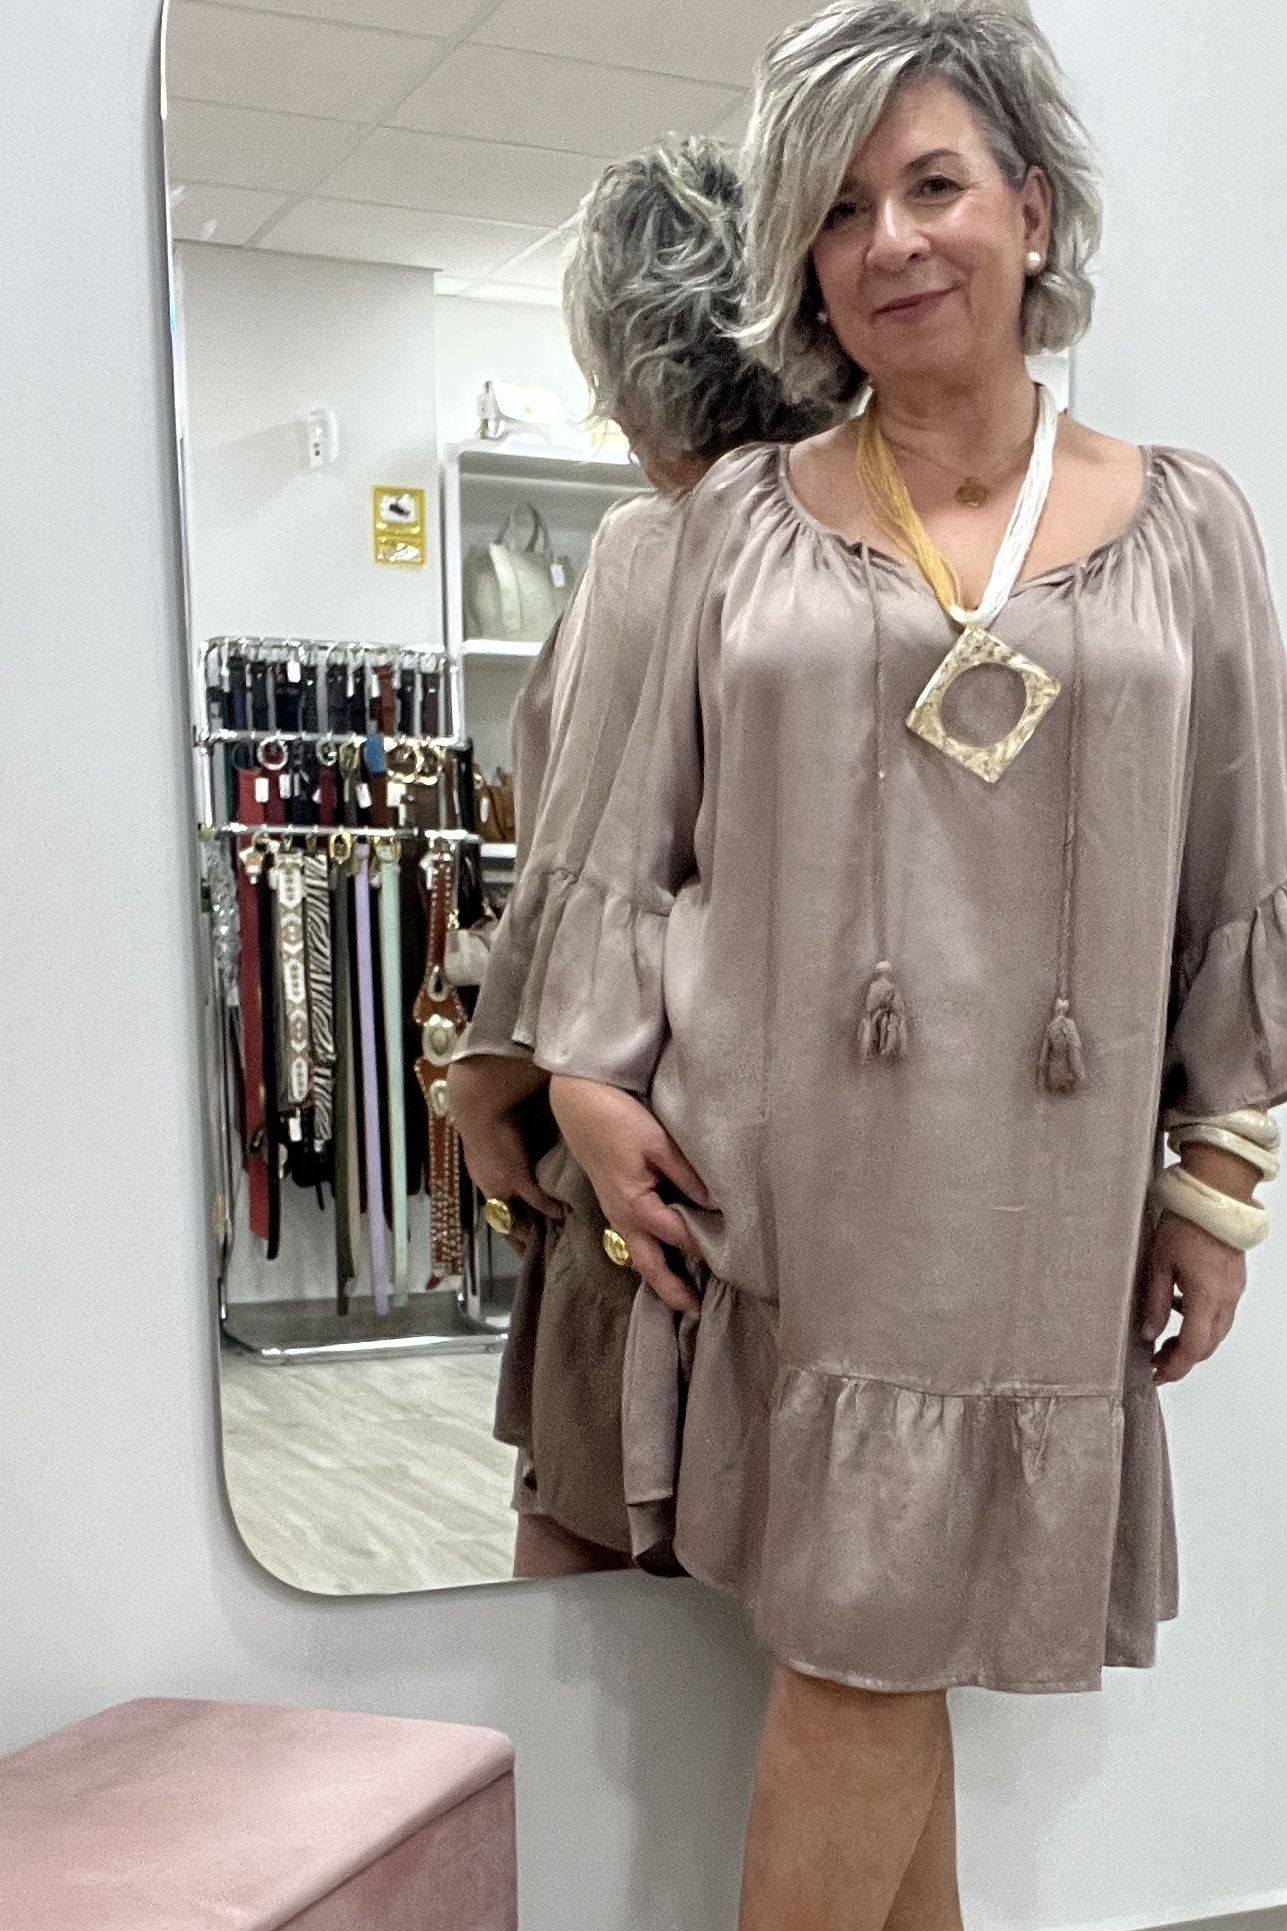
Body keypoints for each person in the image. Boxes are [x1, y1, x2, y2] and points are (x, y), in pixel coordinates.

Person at [533, 0, 1287, 1931]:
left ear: (1028, 209)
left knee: (863, 1644)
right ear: (801, 260)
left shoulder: (1185, 521)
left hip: (1040, 1183)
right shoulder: (737, 528)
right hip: (787, 1172)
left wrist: (1218, 1173)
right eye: (841, 205)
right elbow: (632, 835)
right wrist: (581, 1080)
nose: (890, 239)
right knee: (860, 1643)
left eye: (932, 184)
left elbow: (1243, 849)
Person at [448, 138, 836, 1579]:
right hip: (813, 1142)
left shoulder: (649, 547)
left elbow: (573, 864)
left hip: (635, 1125)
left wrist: (491, 1071)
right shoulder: (867, 538)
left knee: (589, 1547)